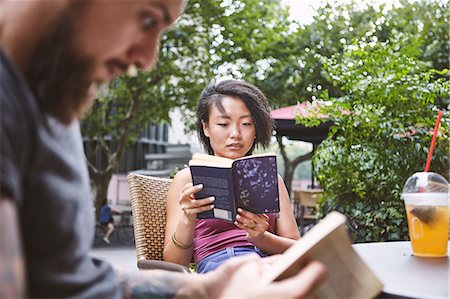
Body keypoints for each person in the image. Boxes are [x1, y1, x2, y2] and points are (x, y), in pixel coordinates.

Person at [0, 1, 326, 298]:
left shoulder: (55, 104)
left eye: (246, 124)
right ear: (206, 128)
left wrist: (208, 289)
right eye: (147, 19)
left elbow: (69, 278)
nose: (146, 60)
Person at [163, 79, 301, 273]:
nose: (235, 134)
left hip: (267, 266)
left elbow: (298, 249)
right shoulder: (187, 179)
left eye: (246, 124)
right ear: (206, 128)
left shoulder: (271, 179)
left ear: (255, 131)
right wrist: (187, 219)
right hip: (219, 268)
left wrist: (262, 238)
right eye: (223, 123)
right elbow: (173, 265)